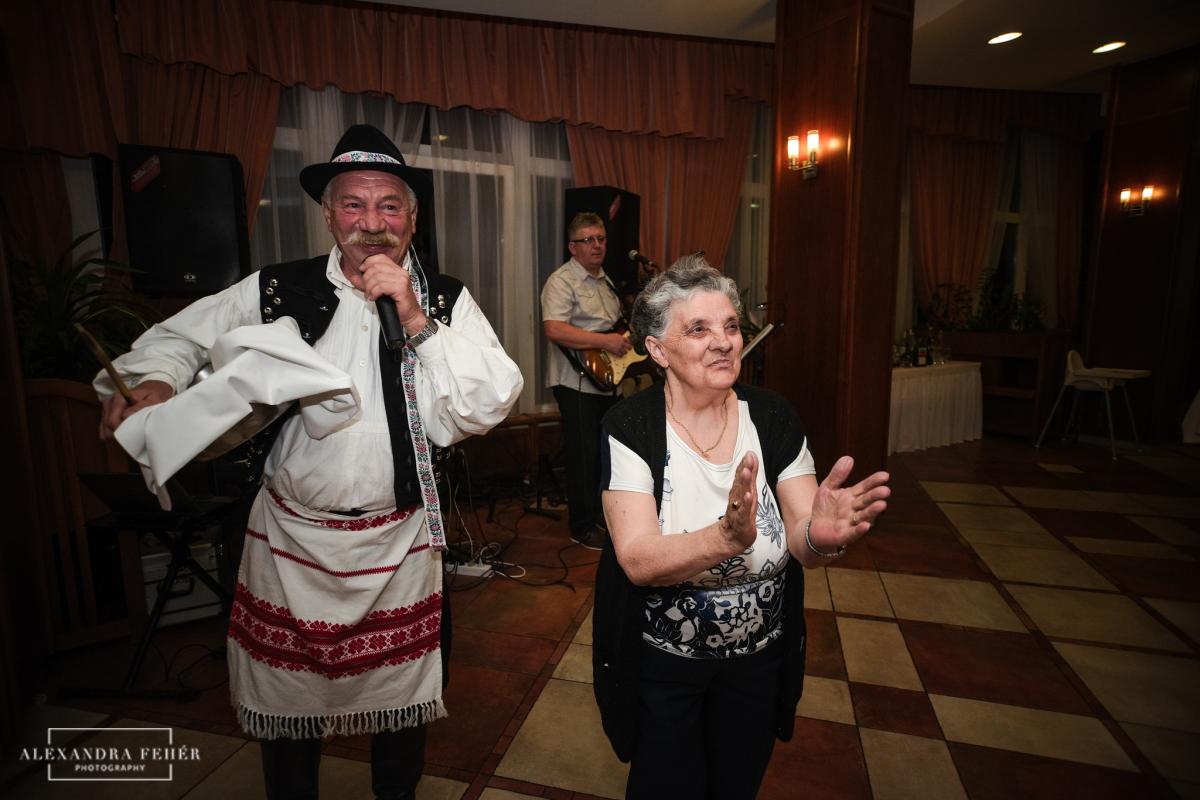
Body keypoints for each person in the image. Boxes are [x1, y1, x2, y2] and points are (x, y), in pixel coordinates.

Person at [95, 124, 523, 800]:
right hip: (289, 540)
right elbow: (179, 339)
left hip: (400, 543)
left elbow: (488, 402)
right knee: (288, 713)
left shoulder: (444, 299)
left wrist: (415, 317)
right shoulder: (276, 290)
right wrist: (159, 379)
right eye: (354, 204)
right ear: (328, 214)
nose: (372, 223)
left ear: (412, 219)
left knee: (402, 706)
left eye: (389, 205)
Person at [592, 255, 890, 799]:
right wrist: (723, 539)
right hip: (664, 665)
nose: (724, 342)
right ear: (657, 350)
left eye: (730, 326)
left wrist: (820, 539)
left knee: (737, 785)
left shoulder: (772, 417)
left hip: (758, 661)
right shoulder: (630, 426)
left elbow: (803, 537)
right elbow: (636, 560)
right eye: (698, 329)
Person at [540, 212, 632, 550]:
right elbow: (554, 329)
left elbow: (615, 327)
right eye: (588, 239)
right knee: (583, 454)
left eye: (601, 239)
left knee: (605, 453)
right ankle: (580, 526)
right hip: (574, 382)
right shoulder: (561, 281)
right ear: (572, 246)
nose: (597, 245)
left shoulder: (607, 282)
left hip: (608, 381)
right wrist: (606, 342)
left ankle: (598, 514)